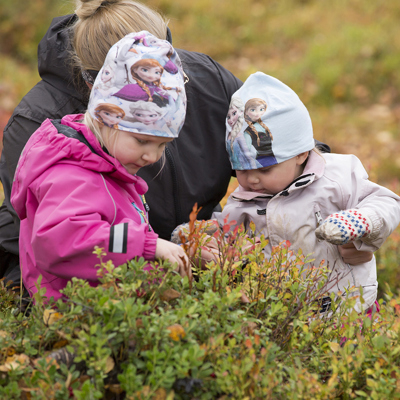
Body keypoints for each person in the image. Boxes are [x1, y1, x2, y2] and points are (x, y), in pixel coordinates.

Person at [0, 0, 365, 295]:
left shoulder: (200, 79)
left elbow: (279, 141)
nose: (152, 156)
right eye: (142, 140)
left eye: (167, 65)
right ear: (99, 84)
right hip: (112, 282)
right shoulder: (41, 125)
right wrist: (154, 257)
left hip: (199, 252)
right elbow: (43, 240)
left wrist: (323, 200)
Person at [10, 32, 190, 303]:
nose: (152, 156)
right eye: (142, 140)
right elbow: (62, 242)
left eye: (162, 145)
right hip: (79, 317)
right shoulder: (72, 174)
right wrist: (147, 245)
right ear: (106, 118)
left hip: (112, 307)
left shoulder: (108, 165)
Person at [212, 72, 400, 313]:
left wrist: (362, 221)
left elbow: (387, 201)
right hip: (286, 317)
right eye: (240, 169)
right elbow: (227, 238)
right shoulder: (243, 201)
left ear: (301, 153)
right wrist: (201, 240)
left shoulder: (336, 177)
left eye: (266, 169)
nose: (252, 179)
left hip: (349, 309)